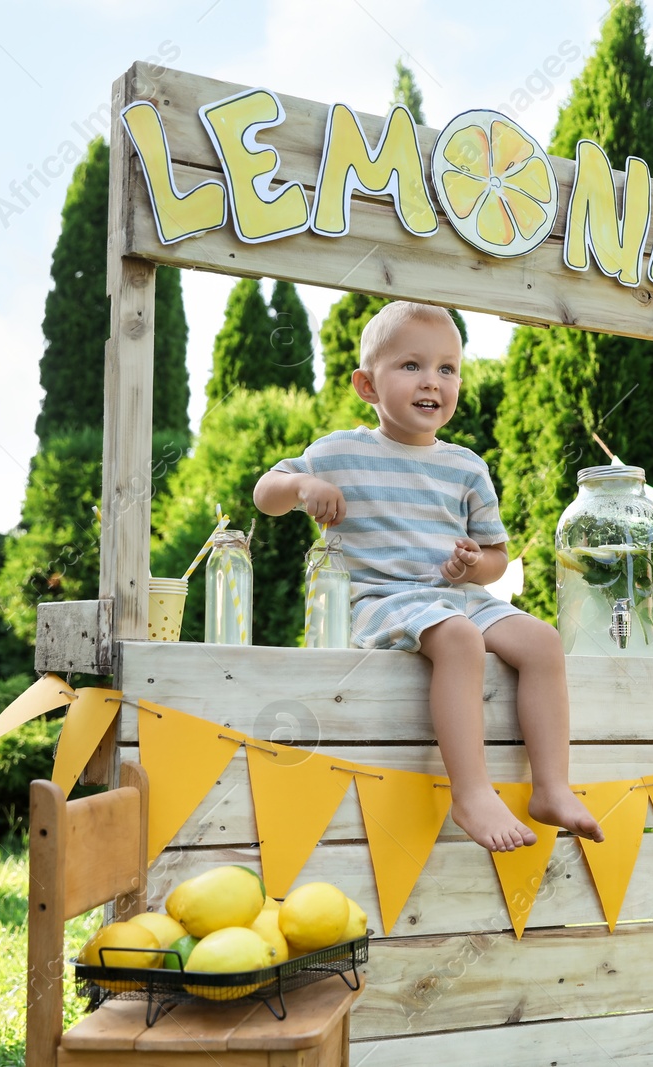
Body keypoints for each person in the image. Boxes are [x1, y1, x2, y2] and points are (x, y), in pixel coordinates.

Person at [254, 301, 602, 853]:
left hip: (453, 595)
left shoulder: (466, 466)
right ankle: (470, 791)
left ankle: (552, 787)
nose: (432, 382)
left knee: (542, 641)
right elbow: (265, 494)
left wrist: (472, 563)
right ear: (367, 385)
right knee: (460, 639)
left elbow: (496, 557)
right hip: (377, 597)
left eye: (447, 368)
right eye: (411, 366)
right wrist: (300, 487)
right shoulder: (338, 451)